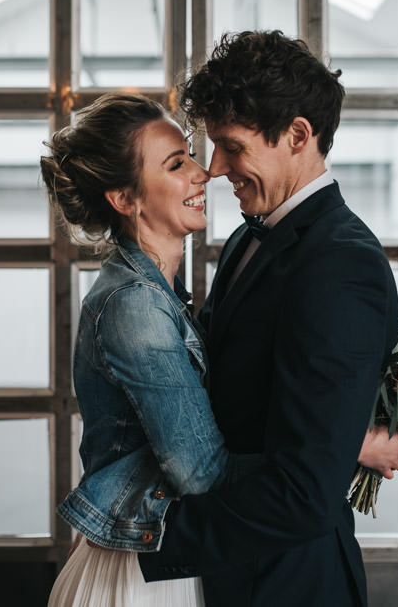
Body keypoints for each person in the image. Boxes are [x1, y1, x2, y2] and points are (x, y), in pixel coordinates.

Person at [136, 30, 398, 606]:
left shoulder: (342, 266)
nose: (214, 168)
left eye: (232, 146)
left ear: (297, 135)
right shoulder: (248, 237)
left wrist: (143, 542)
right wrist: (350, 442)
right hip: (234, 568)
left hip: (290, 583)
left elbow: (304, 492)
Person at [41, 93, 261, 607]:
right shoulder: (134, 304)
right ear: (124, 198)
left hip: (151, 557)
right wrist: (344, 452)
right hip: (135, 577)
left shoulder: (157, 290)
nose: (202, 173)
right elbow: (201, 472)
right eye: (176, 164)